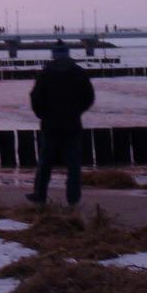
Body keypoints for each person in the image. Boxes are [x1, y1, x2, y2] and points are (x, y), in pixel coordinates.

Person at [29, 41, 95, 208]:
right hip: (72, 124)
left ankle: (40, 194)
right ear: (67, 53)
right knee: (73, 165)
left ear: (53, 54)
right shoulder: (79, 73)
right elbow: (89, 97)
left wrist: (42, 114)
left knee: (45, 162)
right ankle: (73, 198)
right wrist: (78, 111)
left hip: (50, 125)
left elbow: (35, 97)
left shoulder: (46, 73)